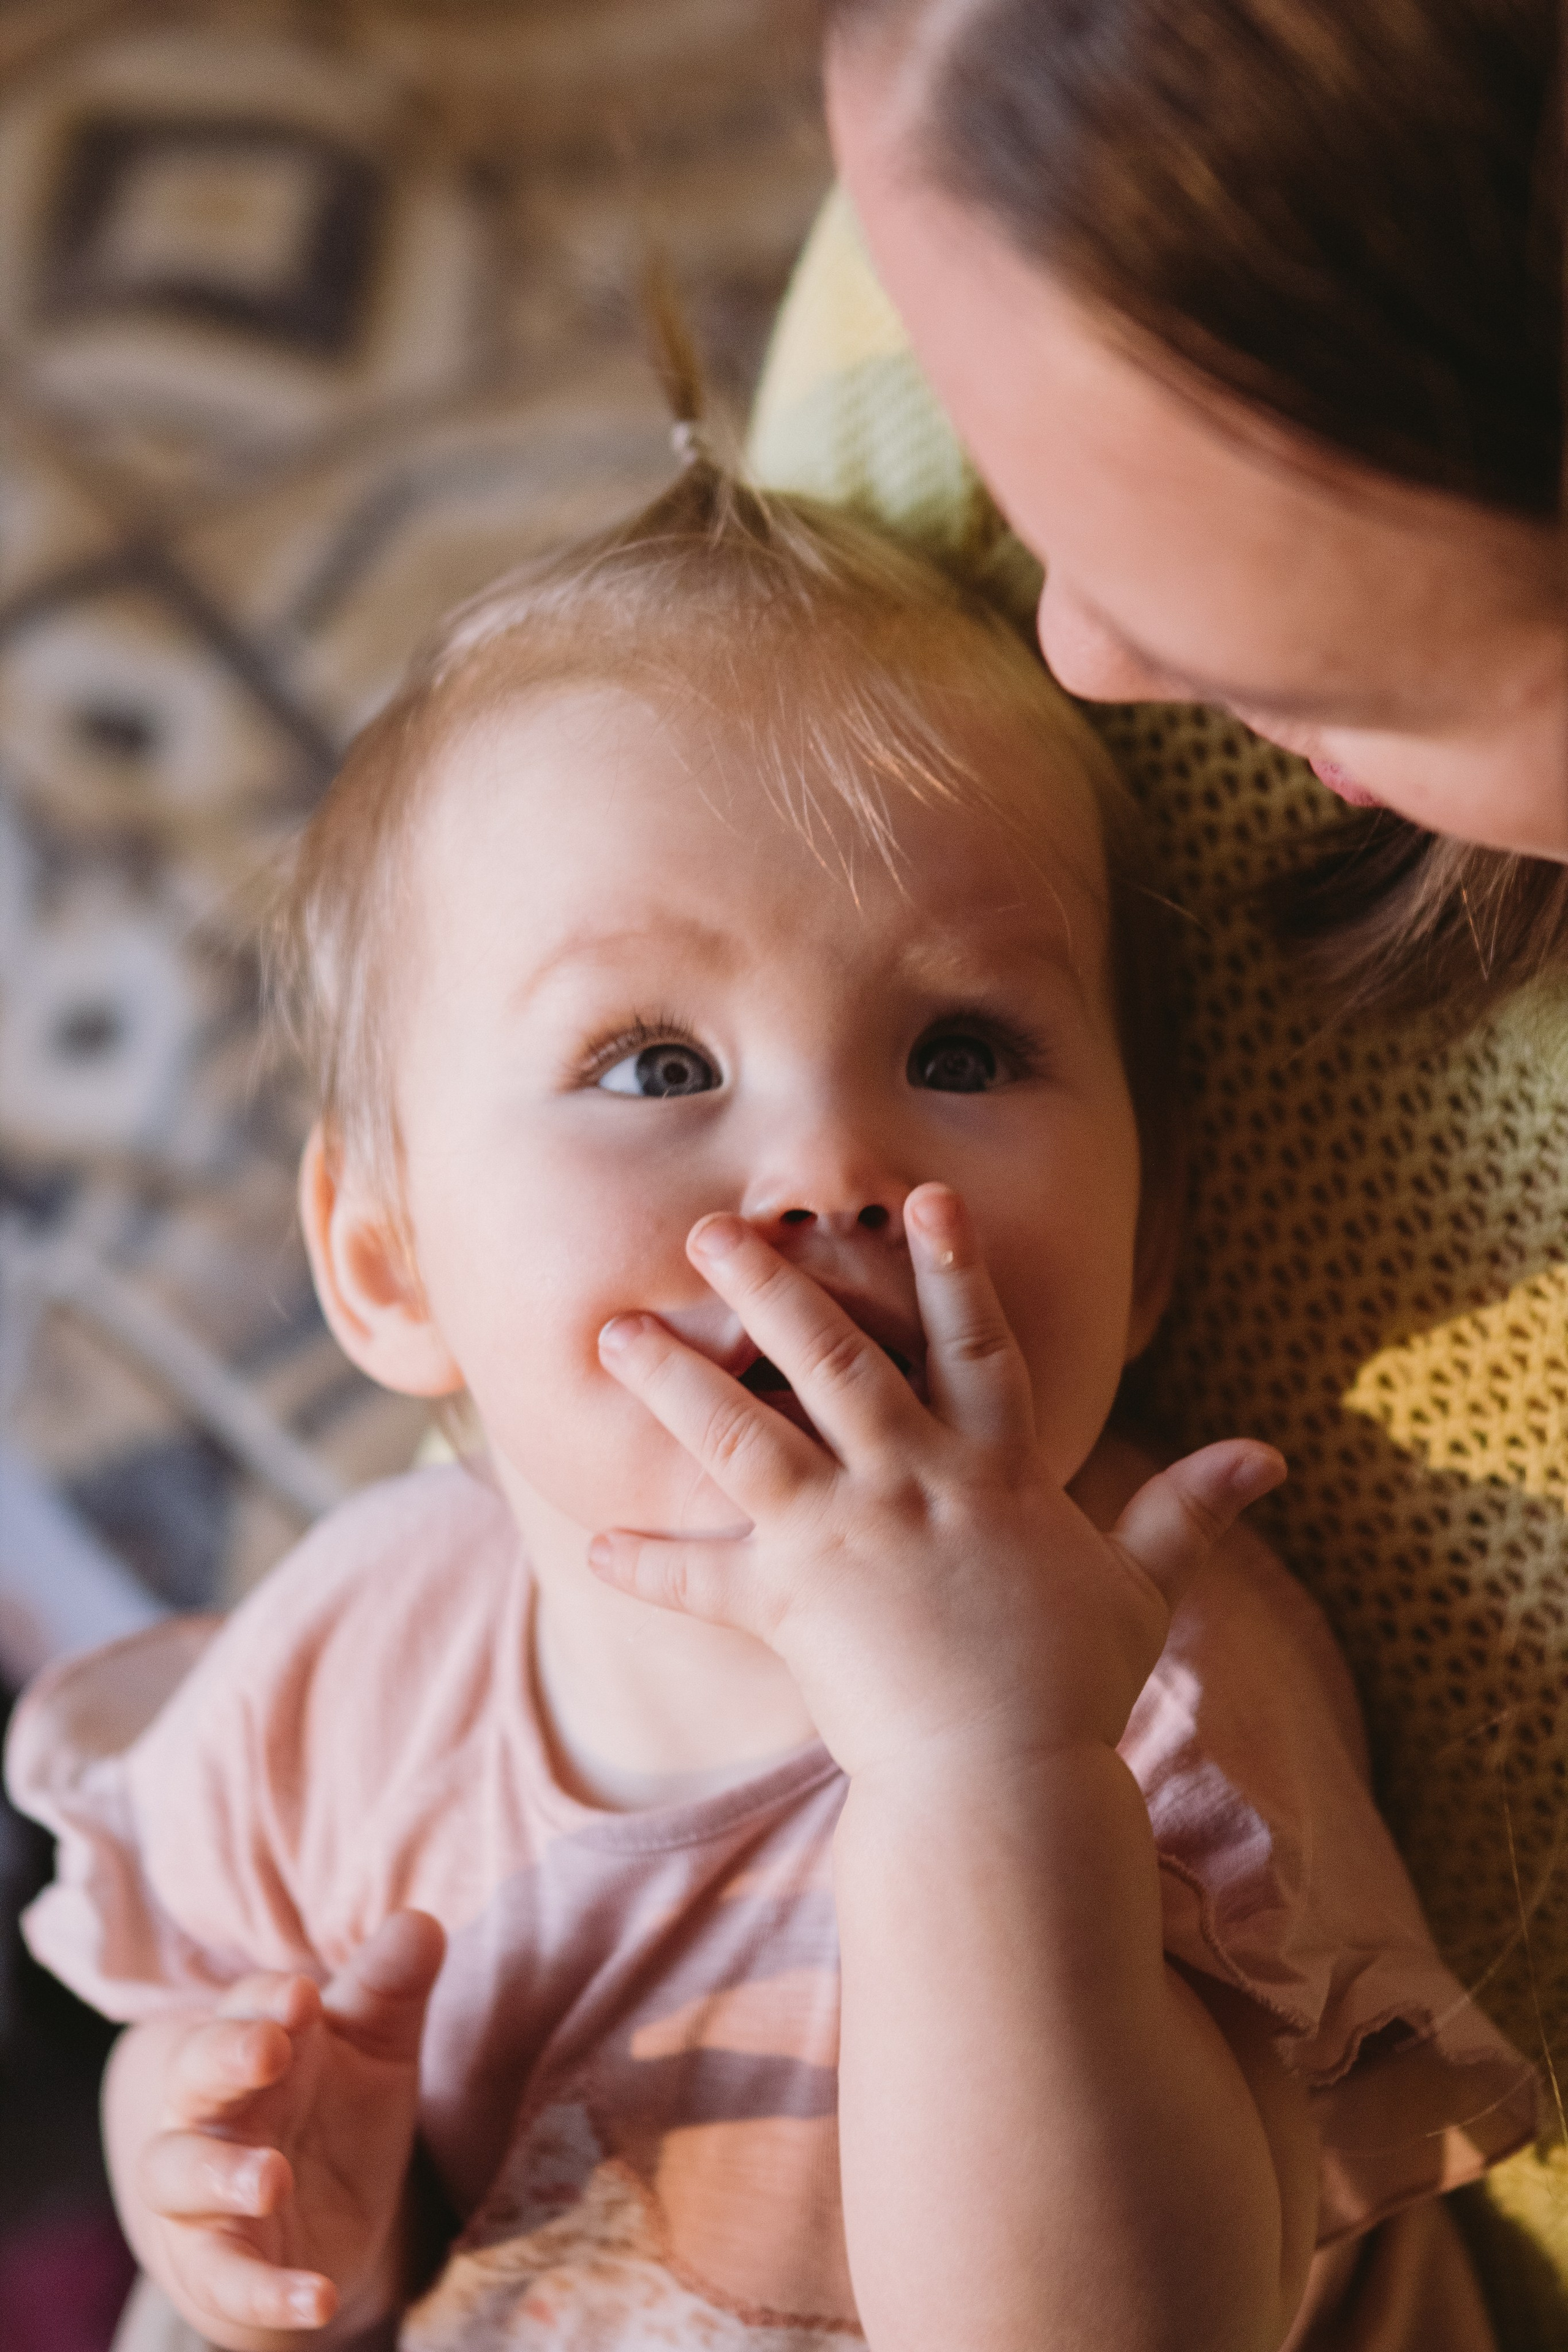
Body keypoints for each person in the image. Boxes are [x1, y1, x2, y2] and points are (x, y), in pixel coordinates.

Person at [4, 441, 1536, 2352]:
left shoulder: (1146, 1690)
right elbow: (203, 2024)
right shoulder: (352, 1657)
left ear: (1148, 1258)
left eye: (964, 1046)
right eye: (653, 1065)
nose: (829, 1166)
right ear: (388, 1265)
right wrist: (238, 2190)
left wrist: (985, 1768)